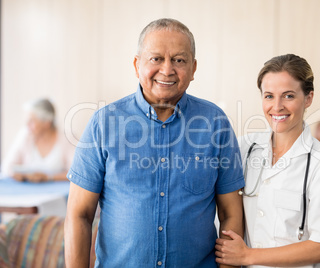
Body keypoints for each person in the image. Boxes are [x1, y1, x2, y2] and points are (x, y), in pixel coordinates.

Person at [64, 18, 244, 268]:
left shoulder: (215, 123)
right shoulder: (104, 124)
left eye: (179, 60)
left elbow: (231, 214)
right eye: (156, 58)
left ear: (193, 68)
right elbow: (79, 215)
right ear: (137, 65)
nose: (167, 69)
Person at [215, 54, 320, 267]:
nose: (277, 106)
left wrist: (247, 256)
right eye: (269, 96)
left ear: (308, 98)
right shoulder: (243, 148)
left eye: (288, 96)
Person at [2, 98, 74, 182]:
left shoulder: (66, 139)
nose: (27, 124)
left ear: (46, 123)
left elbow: (76, 173)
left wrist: (48, 177)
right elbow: (7, 166)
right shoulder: (25, 135)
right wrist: (15, 174)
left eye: (32, 121)